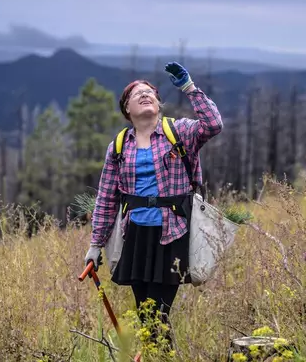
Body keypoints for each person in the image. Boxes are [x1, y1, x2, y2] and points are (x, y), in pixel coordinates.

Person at [84, 61, 223, 346]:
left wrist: (189, 88)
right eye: (138, 94)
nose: (145, 95)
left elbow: (213, 125)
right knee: (146, 315)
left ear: (159, 104)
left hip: (172, 234)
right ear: (127, 110)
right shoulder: (120, 146)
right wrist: (95, 245)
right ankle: (158, 355)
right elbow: (106, 197)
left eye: (150, 93)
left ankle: (160, 355)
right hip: (135, 236)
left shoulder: (179, 132)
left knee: (157, 313)